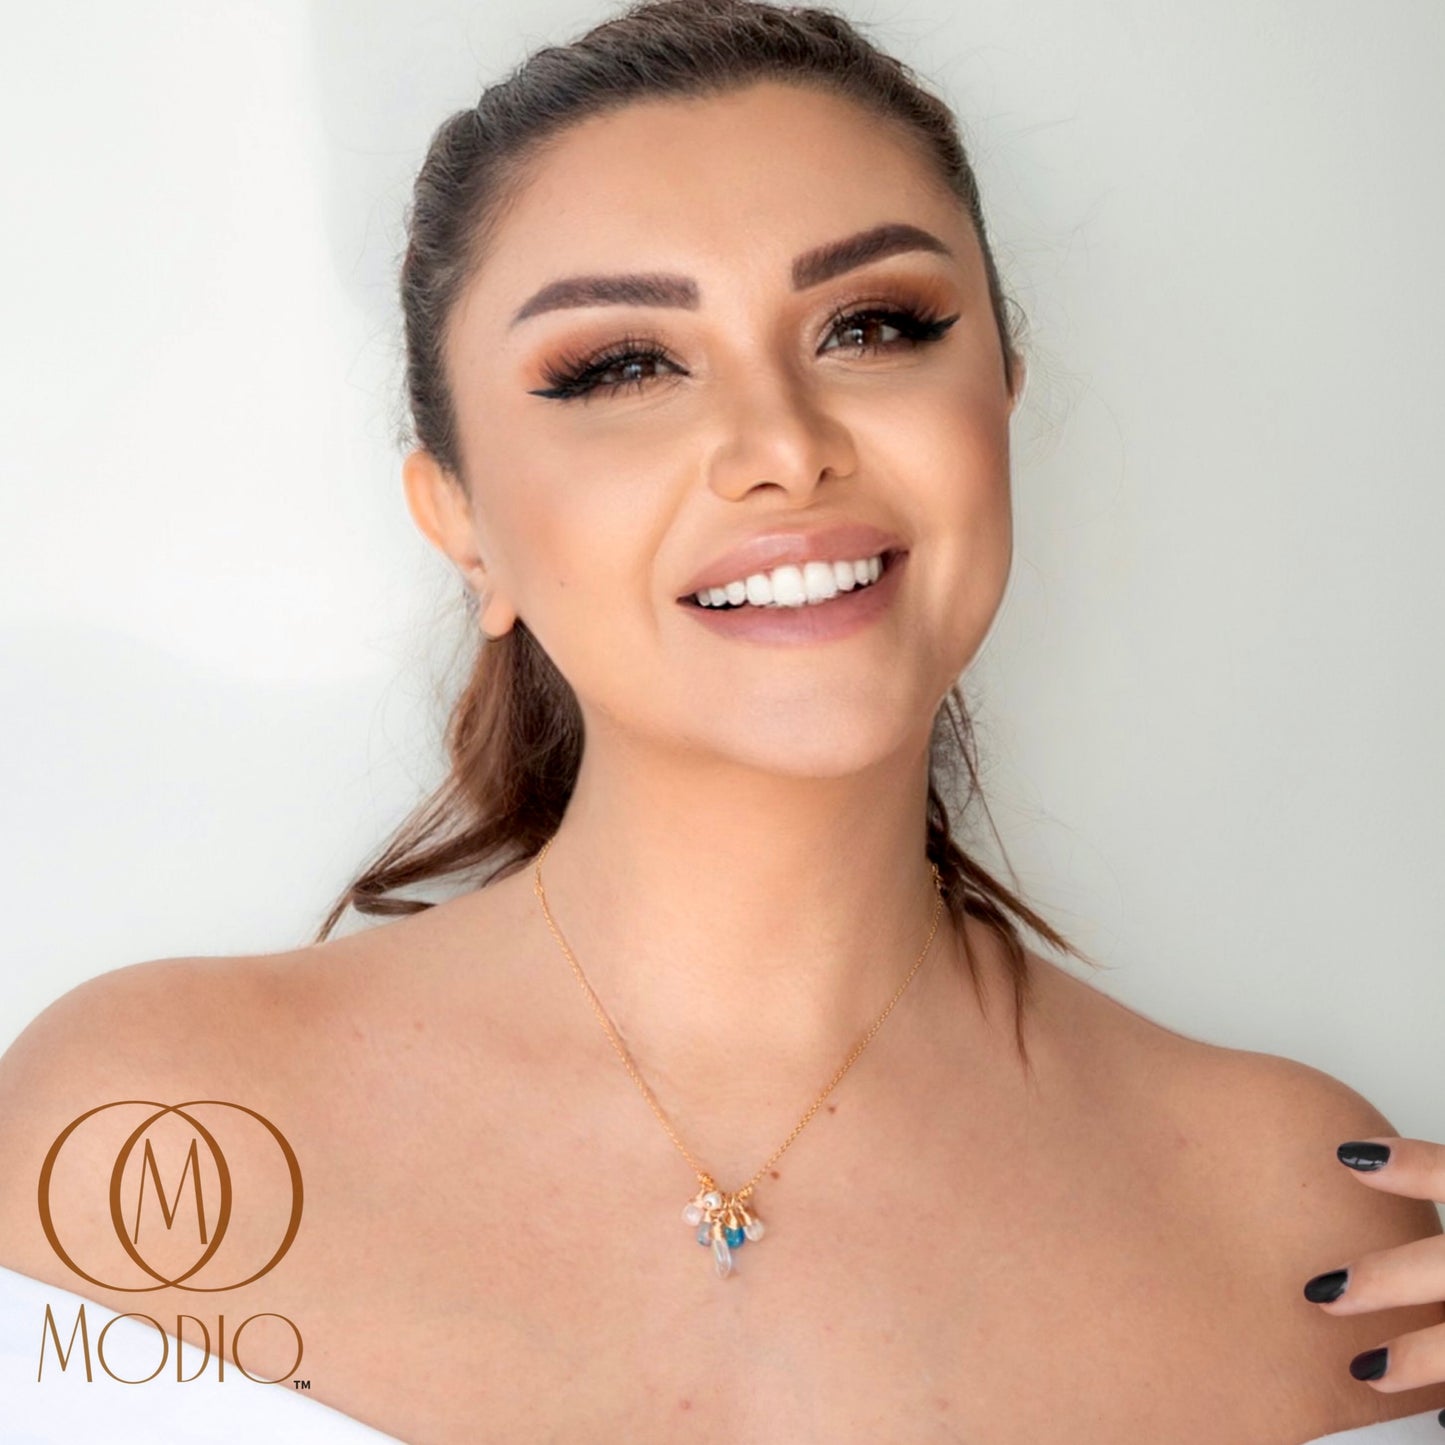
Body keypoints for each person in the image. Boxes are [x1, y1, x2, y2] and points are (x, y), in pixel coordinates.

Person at [1, 1, 1443, 1440]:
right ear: (463, 526)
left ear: (999, 404)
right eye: (622, 366)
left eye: (872, 327)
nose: (784, 447)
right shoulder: (144, 1128)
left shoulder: (1298, 1211)